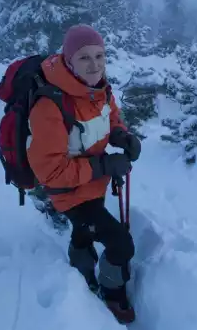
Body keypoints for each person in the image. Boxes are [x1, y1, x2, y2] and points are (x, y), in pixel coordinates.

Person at [26, 24, 141, 323]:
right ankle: (110, 290)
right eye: (85, 57)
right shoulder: (49, 105)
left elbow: (110, 117)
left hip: (94, 183)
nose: (95, 65)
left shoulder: (99, 88)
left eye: (100, 56)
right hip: (70, 193)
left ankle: (80, 267)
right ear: (68, 59)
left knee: (84, 231)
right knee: (121, 244)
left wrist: (121, 137)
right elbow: (51, 172)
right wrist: (105, 166)